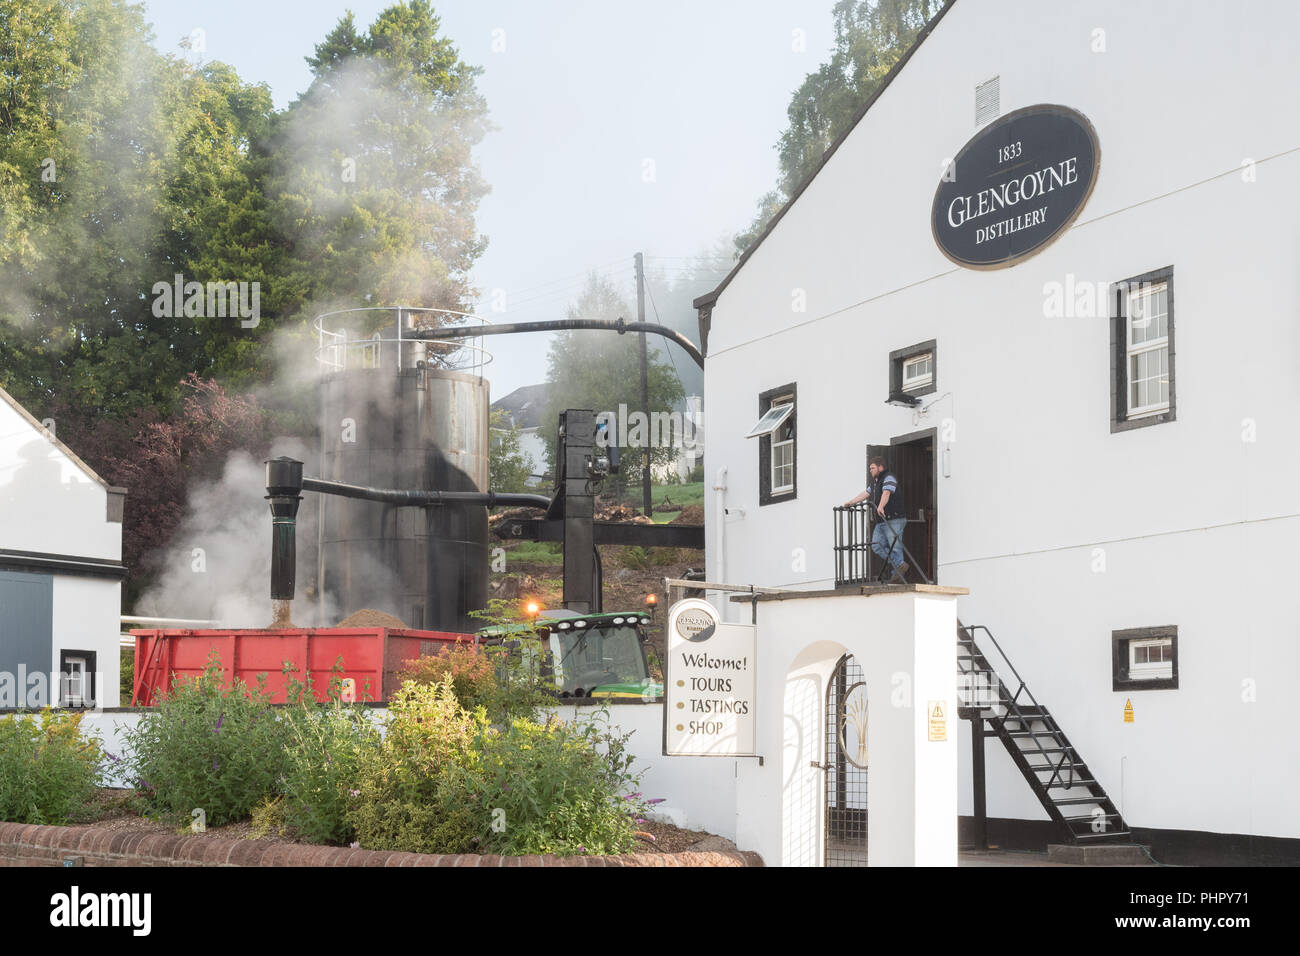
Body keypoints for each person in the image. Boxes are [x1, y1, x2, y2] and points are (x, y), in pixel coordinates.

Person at [844, 457, 909, 583]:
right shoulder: (875, 482)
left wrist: (881, 505)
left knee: (895, 547)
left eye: (872, 468)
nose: (870, 470)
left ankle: (898, 573)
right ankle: (899, 564)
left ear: (881, 467)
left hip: (894, 518)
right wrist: (851, 502)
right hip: (882, 521)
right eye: (869, 468)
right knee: (876, 545)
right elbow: (865, 494)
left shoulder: (889, 477)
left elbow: (887, 493)